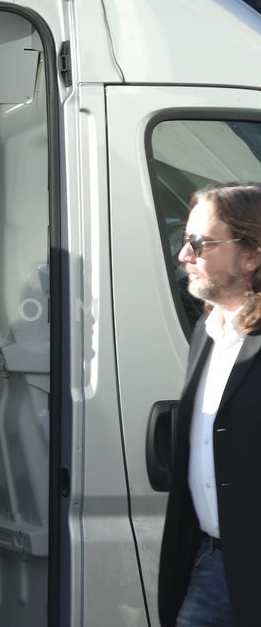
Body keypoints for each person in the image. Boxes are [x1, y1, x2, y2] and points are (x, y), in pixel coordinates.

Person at [159, 182, 261, 626]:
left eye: (199, 243)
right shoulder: (210, 331)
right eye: (186, 241)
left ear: (252, 255)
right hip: (209, 564)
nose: (184, 255)